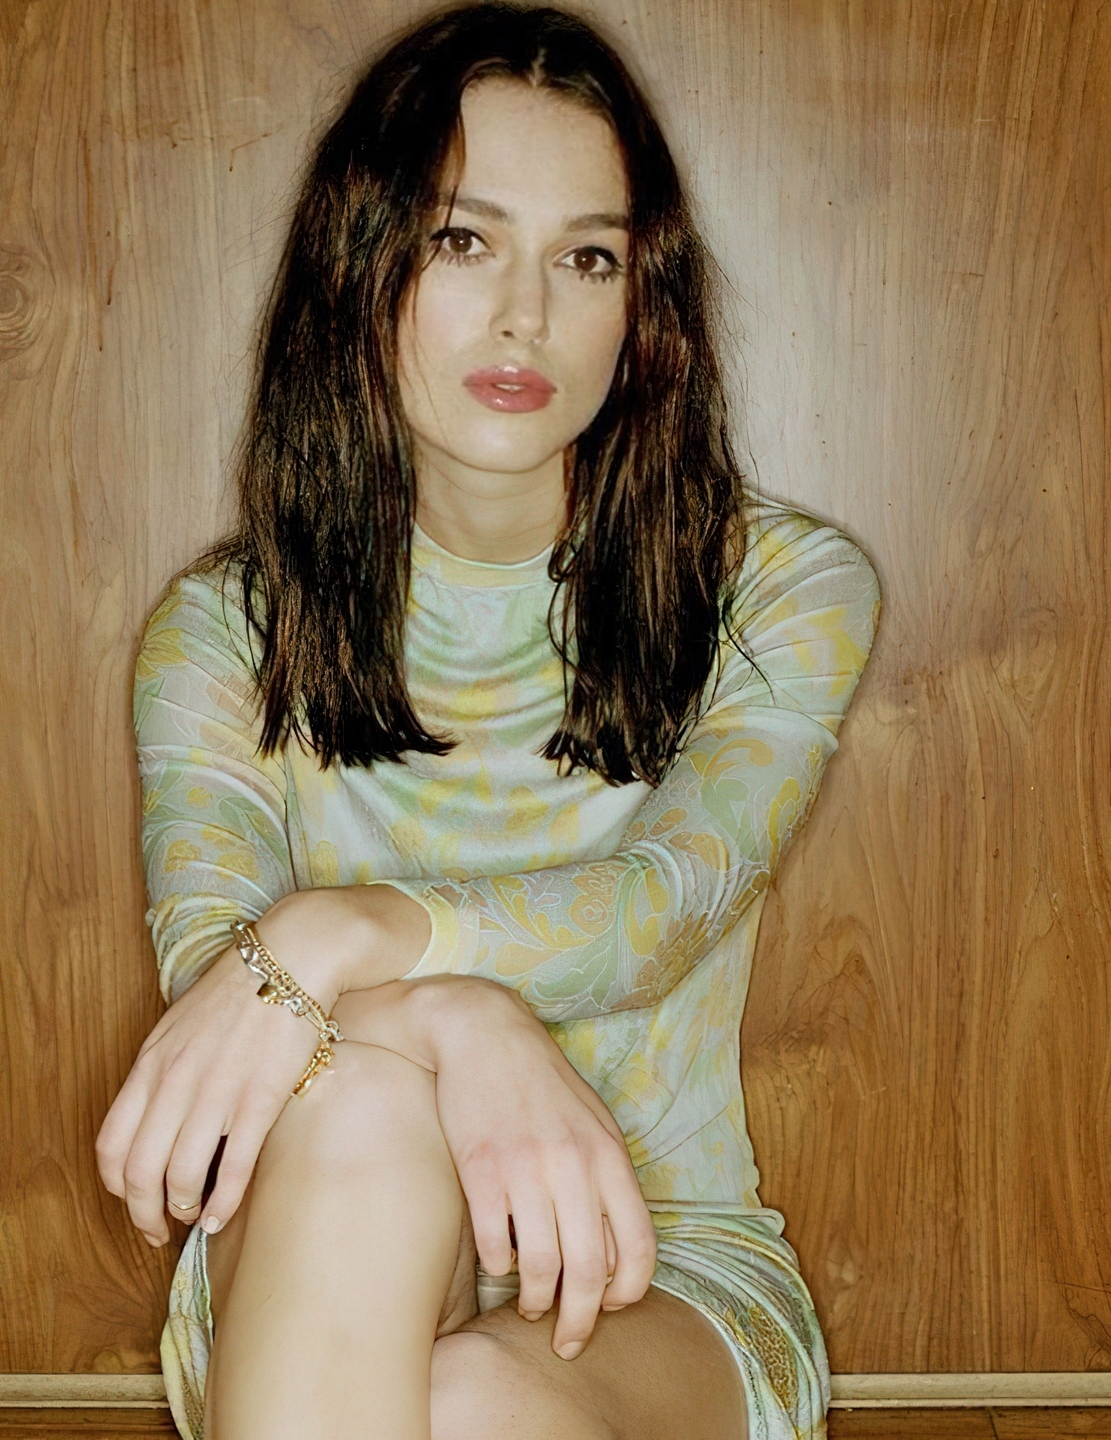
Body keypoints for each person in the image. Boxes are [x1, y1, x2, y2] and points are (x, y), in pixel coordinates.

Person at [94, 4, 882, 1437]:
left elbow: (660, 908)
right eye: (463, 241)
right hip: (319, 1225)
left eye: (588, 257)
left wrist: (342, 935)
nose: (528, 314)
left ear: (640, 303)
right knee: (355, 1105)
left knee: (469, 1405)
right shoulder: (224, 634)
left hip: (659, 1269)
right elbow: (230, 1008)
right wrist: (458, 1014)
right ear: (361, 264)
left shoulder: (780, 589)